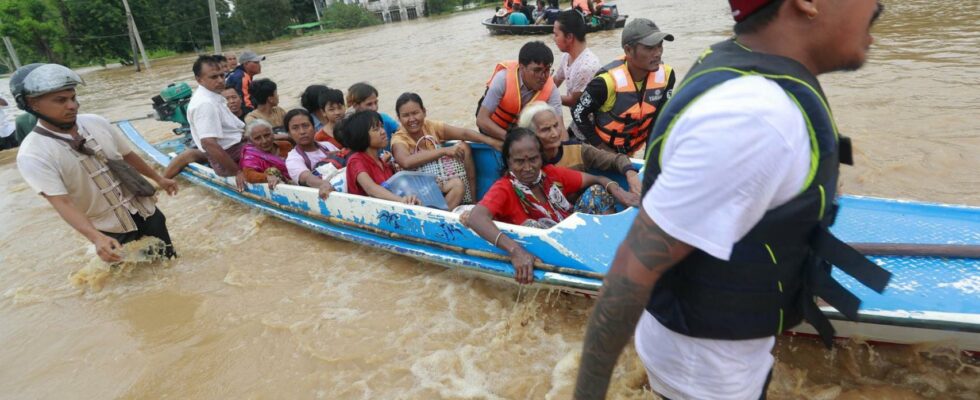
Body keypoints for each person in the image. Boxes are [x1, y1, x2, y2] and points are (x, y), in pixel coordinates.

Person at [573, 1, 889, 399]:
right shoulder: (752, 116)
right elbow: (628, 277)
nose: (878, 6)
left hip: (711, 357)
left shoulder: (745, 69)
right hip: (706, 376)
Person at [12, 63, 179, 261]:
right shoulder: (34, 153)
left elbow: (127, 156)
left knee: (170, 262)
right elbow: (62, 203)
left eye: (73, 98)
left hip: (146, 212)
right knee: (132, 282)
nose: (72, 105)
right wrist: (96, 237)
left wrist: (159, 179)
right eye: (60, 100)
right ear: (32, 104)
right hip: (110, 231)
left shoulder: (96, 122)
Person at [463, 128, 638, 284]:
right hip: (546, 250)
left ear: (541, 158)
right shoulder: (504, 188)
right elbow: (476, 217)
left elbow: (598, 179)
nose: (528, 168)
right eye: (519, 162)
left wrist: (619, 192)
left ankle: (610, 252)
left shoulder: (550, 174)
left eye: (533, 159)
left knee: (596, 192)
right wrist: (515, 251)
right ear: (509, 162)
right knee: (532, 226)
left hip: (573, 237)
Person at [572, 18, 677, 156]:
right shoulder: (605, 83)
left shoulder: (667, 76)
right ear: (628, 50)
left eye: (660, 45)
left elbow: (658, 121)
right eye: (650, 47)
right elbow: (578, 112)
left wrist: (648, 160)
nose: (658, 53)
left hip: (629, 152)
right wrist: (604, 150)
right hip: (601, 152)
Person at [518, 102, 641, 207]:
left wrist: (631, 175)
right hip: (548, 219)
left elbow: (615, 159)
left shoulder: (577, 150)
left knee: (596, 192)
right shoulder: (526, 165)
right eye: (546, 129)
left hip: (579, 214)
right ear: (530, 135)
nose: (555, 133)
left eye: (556, 126)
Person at [390, 92, 501, 206]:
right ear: (399, 118)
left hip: (437, 184)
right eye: (406, 115)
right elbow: (406, 162)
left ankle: (472, 201)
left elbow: (463, 133)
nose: (412, 119)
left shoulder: (430, 126)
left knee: (464, 147)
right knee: (456, 184)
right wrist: (443, 151)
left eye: (415, 113)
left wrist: (492, 142)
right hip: (415, 193)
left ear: (424, 112)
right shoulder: (399, 139)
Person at [476, 41, 563, 142]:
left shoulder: (552, 90)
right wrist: (512, 141)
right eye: (537, 70)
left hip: (521, 137)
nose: (543, 76)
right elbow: (481, 120)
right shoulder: (502, 79)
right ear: (522, 68)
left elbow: (559, 127)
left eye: (547, 70)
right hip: (492, 131)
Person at [185, 55, 248, 190]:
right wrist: (237, 171)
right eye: (214, 77)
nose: (220, 80)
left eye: (222, 75)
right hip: (229, 157)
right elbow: (209, 143)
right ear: (199, 79)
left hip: (237, 147)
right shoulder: (205, 104)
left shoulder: (214, 95)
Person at [341, 110, 421, 205]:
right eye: (376, 129)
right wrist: (401, 200)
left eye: (381, 126)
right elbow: (371, 189)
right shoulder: (356, 160)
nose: (383, 131)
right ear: (361, 135)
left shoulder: (384, 164)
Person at [552, 10, 603, 141]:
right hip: (576, 123)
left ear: (569, 37)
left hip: (590, 129)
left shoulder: (586, 66)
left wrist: (547, 96)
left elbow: (573, 101)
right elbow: (555, 80)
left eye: (556, 34)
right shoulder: (567, 56)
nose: (553, 38)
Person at [283, 109, 338, 200]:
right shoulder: (293, 158)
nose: (302, 132)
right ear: (289, 134)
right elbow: (306, 177)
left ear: (314, 128)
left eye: (305, 126)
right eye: (295, 128)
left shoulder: (328, 146)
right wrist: (322, 184)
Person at [239, 119, 292, 189]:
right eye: (257, 138)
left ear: (273, 134)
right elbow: (249, 174)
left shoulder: (285, 145)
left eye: (267, 135)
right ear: (251, 140)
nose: (264, 141)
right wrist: (267, 177)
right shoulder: (250, 155)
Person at [225, 50, 264, 114]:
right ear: (246, 64)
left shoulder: (241, 73)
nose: (259, 65)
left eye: (259, 63)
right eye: (256, 62)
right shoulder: (241, 77)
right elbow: (245, 103)